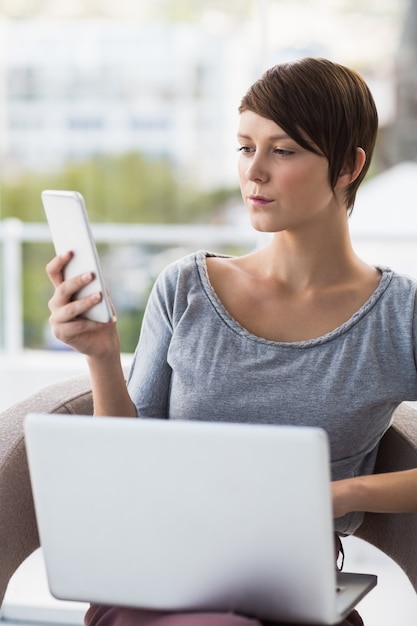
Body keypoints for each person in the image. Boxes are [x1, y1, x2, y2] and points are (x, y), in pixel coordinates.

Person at [46, 57, 417, 626]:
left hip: (293, 585)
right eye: (245, 148)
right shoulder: (186, 288)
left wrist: (340, 495)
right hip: (156, 571)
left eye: (284, 150)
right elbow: (128, 463)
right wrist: (100, 356)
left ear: (348, 165)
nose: (255, 172)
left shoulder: (399, 315)